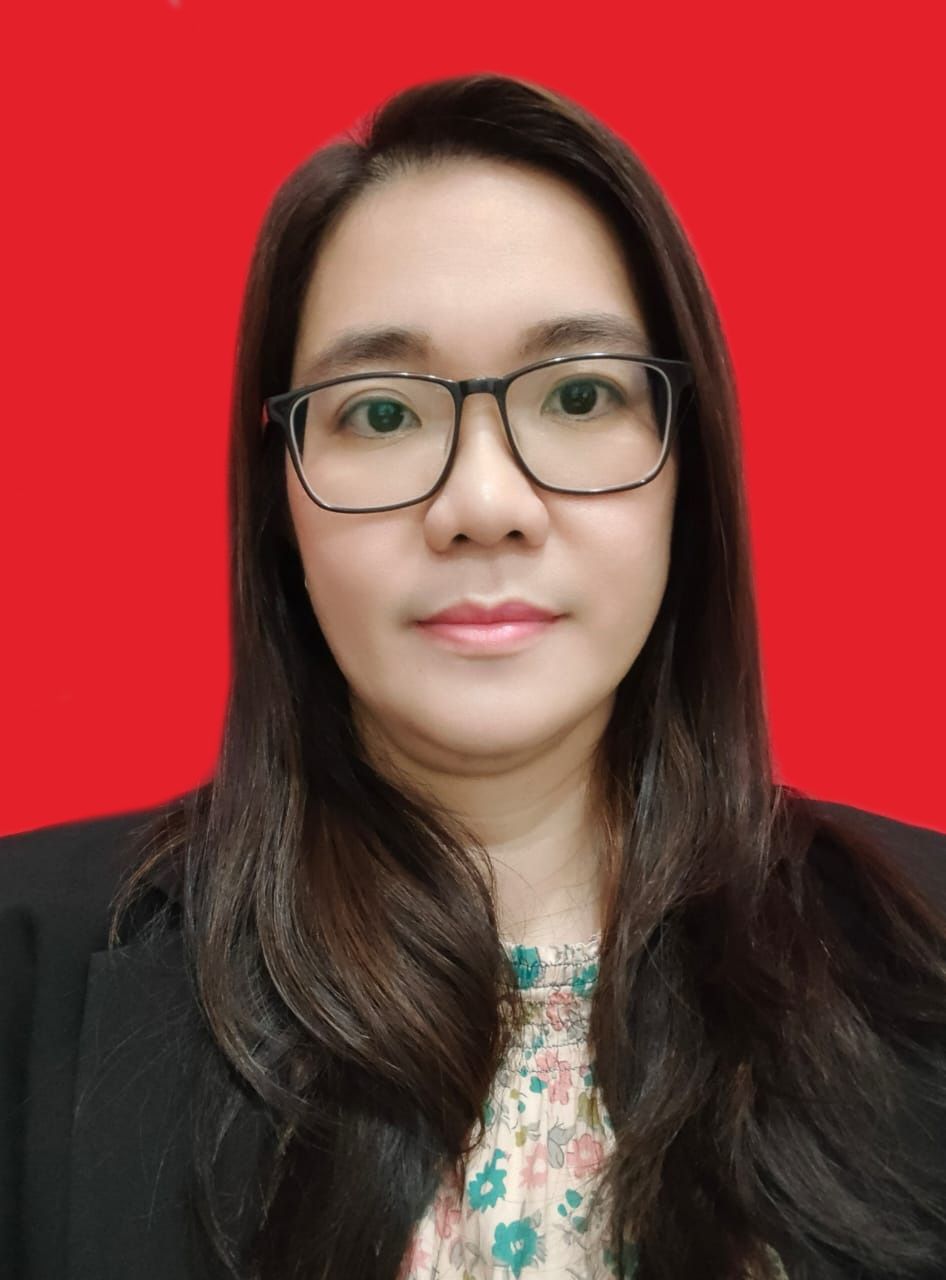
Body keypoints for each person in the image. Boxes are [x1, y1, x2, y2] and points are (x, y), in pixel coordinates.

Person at [1, 72, 945, 1280]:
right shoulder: (27, 963)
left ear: (685, 467)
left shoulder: (921, 959)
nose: (483, 503)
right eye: (380, 414)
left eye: (580, 395)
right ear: (281, 495)